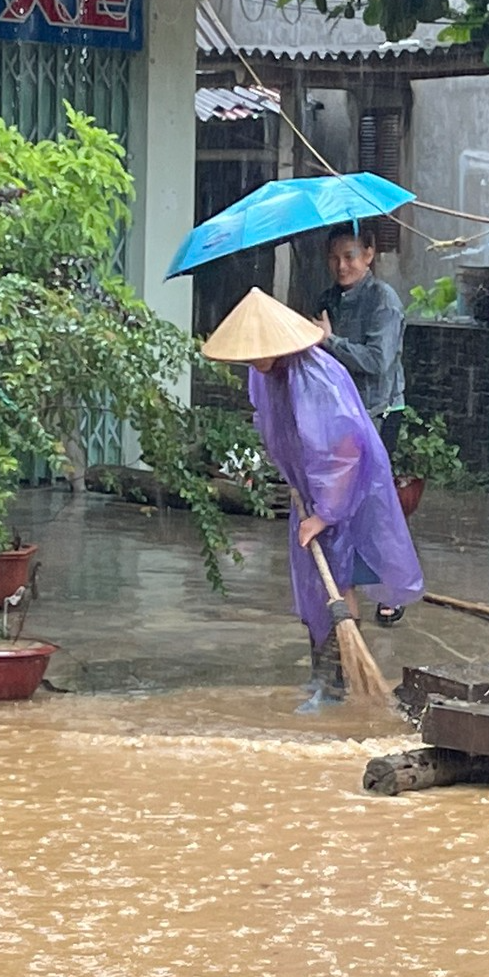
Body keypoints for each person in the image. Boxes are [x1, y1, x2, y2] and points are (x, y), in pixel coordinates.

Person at [201, 287, 423, 712]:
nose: (252, 360)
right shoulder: (270, 373)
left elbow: (342, 449)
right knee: (319, 583)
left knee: (339, 580)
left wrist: (325, 513)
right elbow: (279, 429)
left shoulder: (314, 376)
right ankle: (325, 679)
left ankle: (337, 684)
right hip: (313, 489)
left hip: (347, 488)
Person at [314, 223, 410, 626]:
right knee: (343, 504)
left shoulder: (383, 301)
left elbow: (376, 361)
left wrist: (329, 341)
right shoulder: (327, 300)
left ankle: (392, 588)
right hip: (339, 413)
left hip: (378, 412)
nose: (342, 265)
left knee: (376, 504)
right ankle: (347, 582)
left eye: (350, 256)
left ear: (370, 255)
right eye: (335, 258)